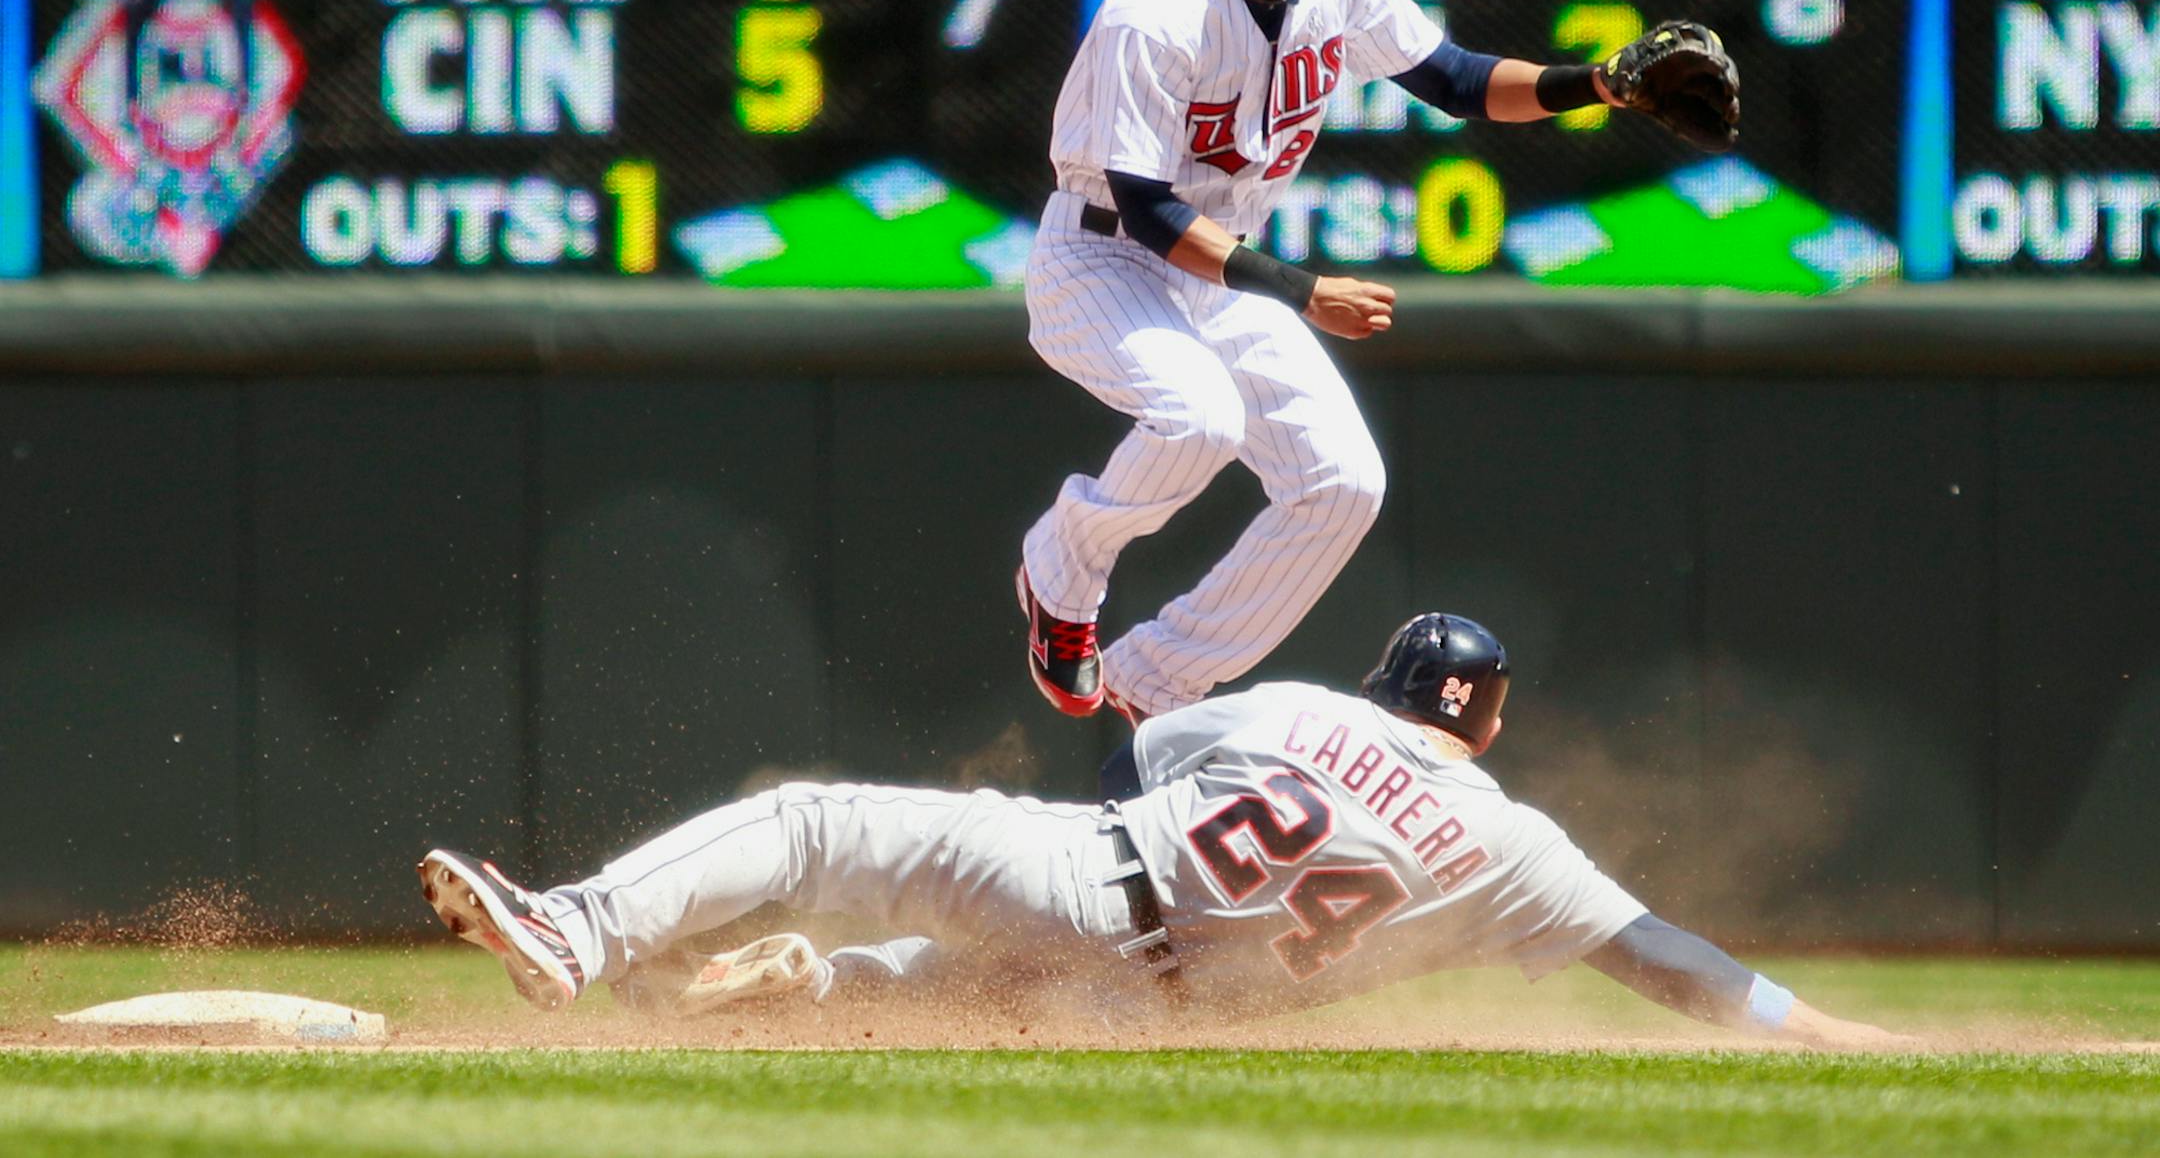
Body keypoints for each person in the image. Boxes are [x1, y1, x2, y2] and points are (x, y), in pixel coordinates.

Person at [1017, 0, 1739, 724]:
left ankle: (1154, 681)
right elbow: (1146, 207)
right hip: (1102, 259)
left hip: (1217, 268)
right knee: (1198, 420)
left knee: (1342, 482)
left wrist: (1596, 83)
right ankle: (1059, 579)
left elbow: (1459, 82)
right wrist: (1305, 291)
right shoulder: (1157, 12)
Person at [417, 612, 1894, 1047]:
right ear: (1489, 723)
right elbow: (1670, 960)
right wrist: (1838, 1034)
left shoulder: (1312, 707)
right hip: (1149, 1012)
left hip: (1097, 879)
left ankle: (582, 927)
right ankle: (794, 989)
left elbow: (1143, 756)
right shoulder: (1514, 845)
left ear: (1390, 683)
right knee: (951, 991)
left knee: (811, 819)